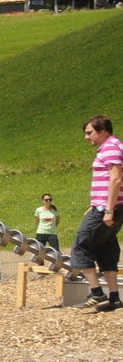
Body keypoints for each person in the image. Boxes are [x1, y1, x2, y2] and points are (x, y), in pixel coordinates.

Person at [73, 115, 123, 310]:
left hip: (108, 209)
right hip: (110, 207)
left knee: (81, 245)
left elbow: (116, 179)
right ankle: (114, 297)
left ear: (102, 130)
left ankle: (96, 293)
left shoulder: (110, 148)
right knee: (106, 247)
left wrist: (107, 209)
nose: (87, 137)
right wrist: (97, 203)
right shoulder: (117, 145)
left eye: (89, 133)